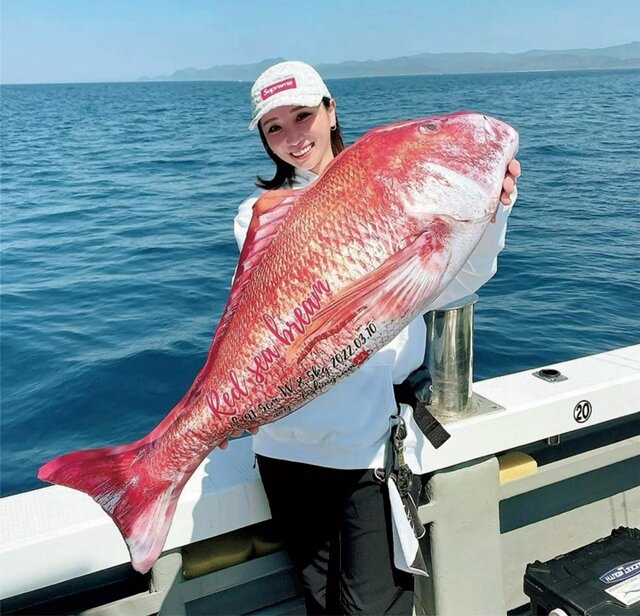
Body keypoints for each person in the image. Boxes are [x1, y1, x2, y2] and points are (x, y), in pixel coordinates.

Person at [232, 60, 520, 615]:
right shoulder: (257, 215)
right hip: (281, 447)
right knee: (319, 599)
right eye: (274, 127)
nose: (293, 137)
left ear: (330, 110)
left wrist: (488, 215)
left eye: (303, 116)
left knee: (375, 607)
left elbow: (452, 282)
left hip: (364, 449)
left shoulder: (397, 186)